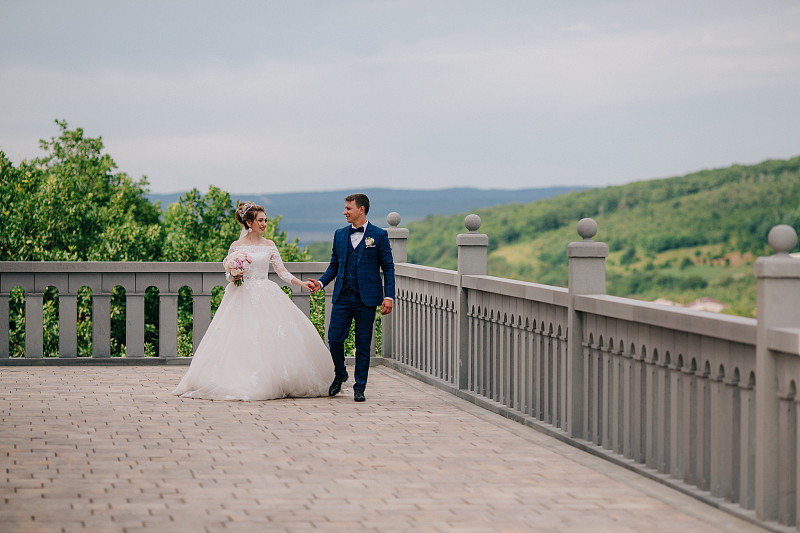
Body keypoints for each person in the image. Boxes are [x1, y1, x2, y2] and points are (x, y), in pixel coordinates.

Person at [172, 202, 333, 401]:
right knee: (238, 336)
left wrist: (301, 283)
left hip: (265, 292)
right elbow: (228, 274)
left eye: (265, 220)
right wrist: (235, 274)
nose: (264, 224)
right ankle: (239, 378)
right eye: (260, 220)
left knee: (270, 337)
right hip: (241, 294)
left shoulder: (270, 245)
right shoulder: (236, 246)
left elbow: (282, 272)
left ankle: (274, 378)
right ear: (249, 222)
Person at [309, 193, 395, 402]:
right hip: (343, 296)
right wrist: (320, 283)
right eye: (345, 208)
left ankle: (360, 387)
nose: (344, 212)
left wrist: (389, 296)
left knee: (363, 344)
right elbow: (334, 266)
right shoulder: (339, 234)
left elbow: (388, 267)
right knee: (335, 338)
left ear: (361, 210)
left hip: (367, 298)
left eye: (348, 208)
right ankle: (340, 373)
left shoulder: (379, 235)